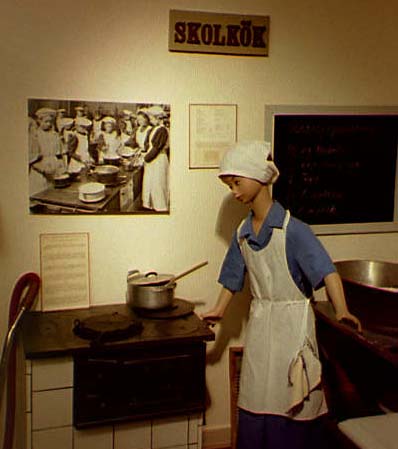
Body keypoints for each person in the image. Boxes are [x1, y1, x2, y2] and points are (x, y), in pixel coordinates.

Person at [201, 141, 361, 449]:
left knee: (293, 398)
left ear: (259, 177)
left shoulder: (294, 230)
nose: (233, 191)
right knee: (258, 393)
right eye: (229, 185)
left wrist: (342, 311)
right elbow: (233, 277)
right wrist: (218, 310)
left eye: (237, 182)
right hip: (262, 325)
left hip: (293, 326)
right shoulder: (242, 233)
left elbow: (328, 271)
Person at [29, 108, 64, 194]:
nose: (48, 124)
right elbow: (31, 160)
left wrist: (61, 167)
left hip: (54, 172)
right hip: (40, 173)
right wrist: (44, 170)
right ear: (39, 121)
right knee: (40, 195)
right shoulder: (35, 136)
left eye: (50, 122)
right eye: (46, 121)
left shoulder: (55, 135)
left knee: (52, 196)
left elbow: (59, 155)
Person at [142, 106, 169, 211]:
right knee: (151, 183)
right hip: (153, 159)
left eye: (152, 118)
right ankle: (152, 205)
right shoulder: (155, 128)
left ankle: (160, 207)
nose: (150, 120)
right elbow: (148, 145)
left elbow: (156, 149)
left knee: (158, 184)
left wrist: (145, 158)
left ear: (158, 118)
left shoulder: (162, 130)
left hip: (158, 160)